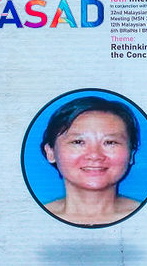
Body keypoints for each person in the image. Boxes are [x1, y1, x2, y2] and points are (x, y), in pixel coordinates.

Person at [40, 96, 141, 226]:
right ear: (50, 152)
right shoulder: (32, 221)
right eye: (78, 142)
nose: (94, 155)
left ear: (131, 154)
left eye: (110, 142)